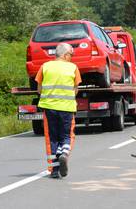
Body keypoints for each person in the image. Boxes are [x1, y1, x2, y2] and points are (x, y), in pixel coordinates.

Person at [35, 43, 82, 178]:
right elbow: (75, 89)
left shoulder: (45, 67)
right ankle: (64, 154)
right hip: (67, 108)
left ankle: (55, 171)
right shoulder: (73, 68)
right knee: (66, 136)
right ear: (65, 55)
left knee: (53, 139)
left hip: (49, 108)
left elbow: (39, 89)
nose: (72, 58)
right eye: (71, 55)